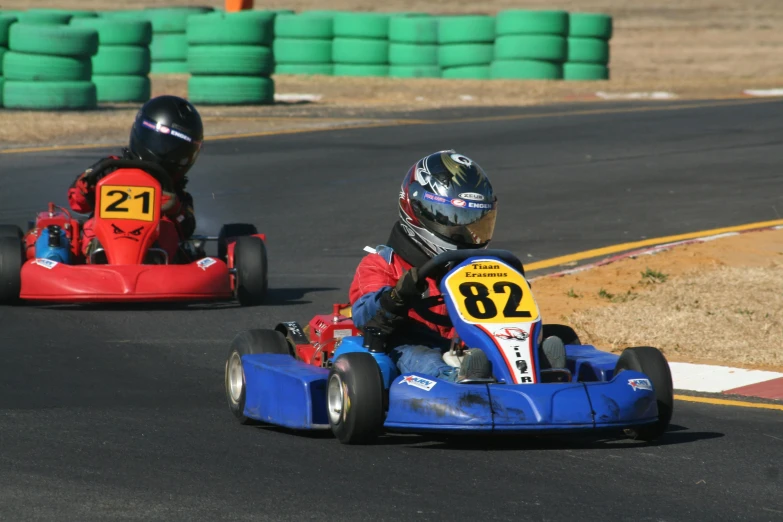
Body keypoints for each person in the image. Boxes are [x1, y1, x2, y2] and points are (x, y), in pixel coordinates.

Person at [348, 150, 501, 383]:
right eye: (453, 221)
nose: (462, 233)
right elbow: (363, 314)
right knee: (423, 357)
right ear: (418, 209)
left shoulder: (478, 268)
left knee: (552, 338)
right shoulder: (383, 264)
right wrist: (395, 297)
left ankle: (549, 367)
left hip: (465, 349)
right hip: (406, 347)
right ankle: (457, 384)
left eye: (472, 222)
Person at [67, 95, 203, 262]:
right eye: (168, 147)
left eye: (182, 151)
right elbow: (77, 202)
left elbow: (187, 228)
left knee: (167, 230)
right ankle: (98, 253)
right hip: (104, 240)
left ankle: (153, 260)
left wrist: (174, 208)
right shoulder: (110, 168)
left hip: (154, 253)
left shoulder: (173, 188)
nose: (175, 156)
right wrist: (85, 187)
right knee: (89, 227)